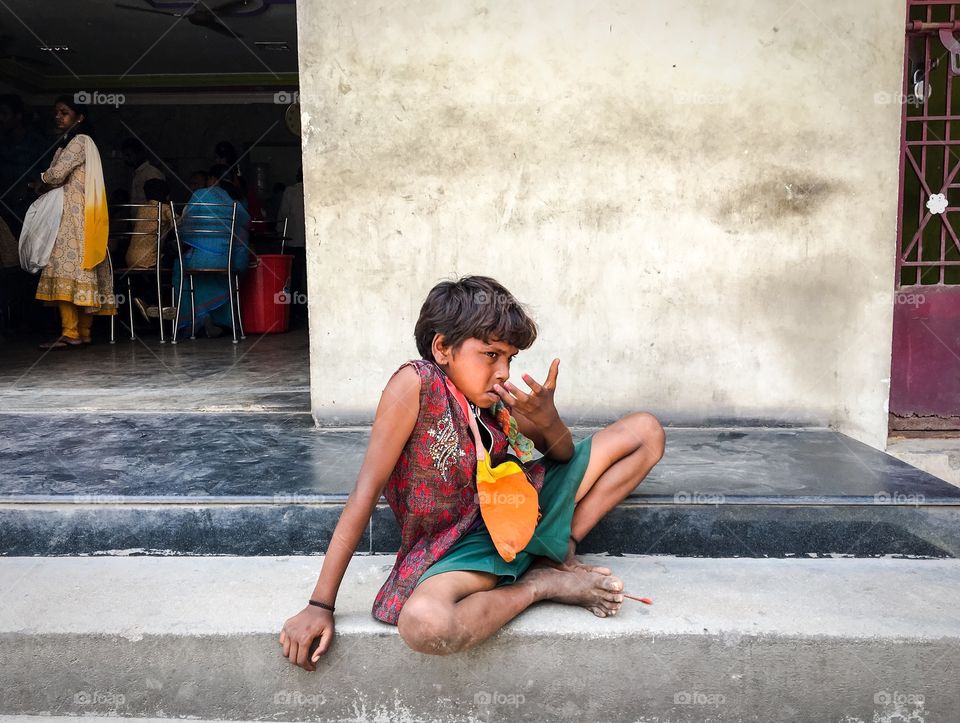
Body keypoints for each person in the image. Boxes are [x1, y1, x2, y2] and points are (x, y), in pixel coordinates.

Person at [279, 276, 666, 668]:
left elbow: (562, 455)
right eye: (491, 355)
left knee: (646, 432)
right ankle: (540, 583)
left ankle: (557, 550)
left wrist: (548, 420)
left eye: (510, 359)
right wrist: (320, 604)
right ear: (442, 348)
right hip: (462, 546)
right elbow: (367, 489)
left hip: (519, 513)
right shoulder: (416, 383)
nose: (503, 372)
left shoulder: (496, 403)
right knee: (425, 623)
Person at [30, 95, 114, 348]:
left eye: (64, 112)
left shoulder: (78, 141)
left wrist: (40, 179)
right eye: (57, 112)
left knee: (63, 269)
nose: (58, 116)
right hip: (83, 215)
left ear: (80, 117)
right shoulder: (82, 142)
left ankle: (71, 332)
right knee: (83, 271)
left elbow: (56, 174)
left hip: (72, 216)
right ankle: (83, 332)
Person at [170, 164, 250, 338]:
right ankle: (220, 321)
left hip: (200, 261)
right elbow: (245, 226)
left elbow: (184, 230)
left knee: (179, 267)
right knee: (212, 271)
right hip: (227, 261)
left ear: (213, 179)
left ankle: (198, 319)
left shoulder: (200, 195)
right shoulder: (234, 202)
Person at [276, 166, 305, 321]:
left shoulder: (290, 192)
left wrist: (279, 234)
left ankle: (292, 313)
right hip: (310, 243)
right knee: (304, 278)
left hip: (292, 241)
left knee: (292, 279)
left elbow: (282, 216)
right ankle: (303, 311)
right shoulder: (316, 189)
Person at [124, 178, 173, 269]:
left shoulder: (141, 208)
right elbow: (180, 224)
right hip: (149, 261)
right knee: (175, 255)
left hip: (130, 259)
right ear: (166, 195)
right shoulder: (164, 208)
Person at [121, 138, 165, 205]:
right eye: (124, 156)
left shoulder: (151, 173)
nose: (126, 159)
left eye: (129, 155)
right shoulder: (136, 174)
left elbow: (157, 203)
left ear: (139, 154)